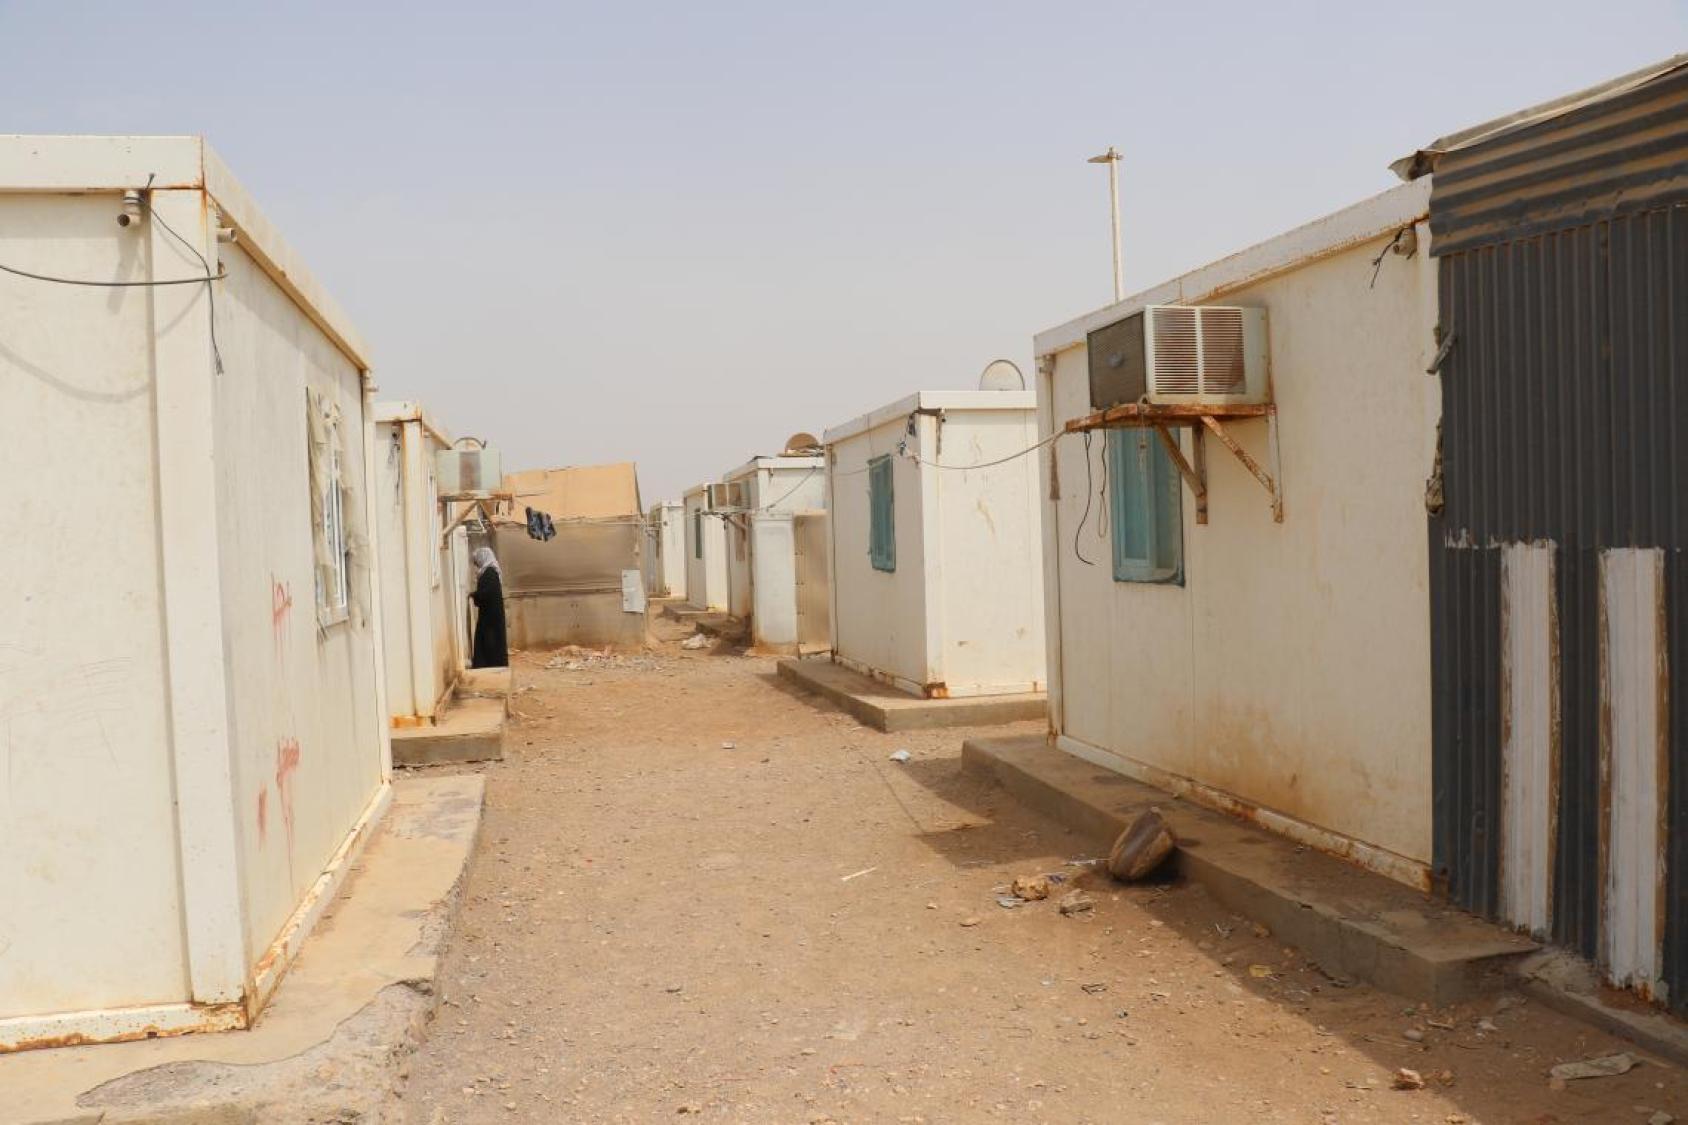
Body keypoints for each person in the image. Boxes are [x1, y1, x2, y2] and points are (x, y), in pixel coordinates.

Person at [469, 547, 508, 668]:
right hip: (491, 614)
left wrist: (474, 595)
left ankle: (489, 664)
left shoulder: (489, 573)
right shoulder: (489, 572)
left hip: (490, 616)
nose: (476, 565)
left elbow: (487, 593)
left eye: (477, 561)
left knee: (489, 640)